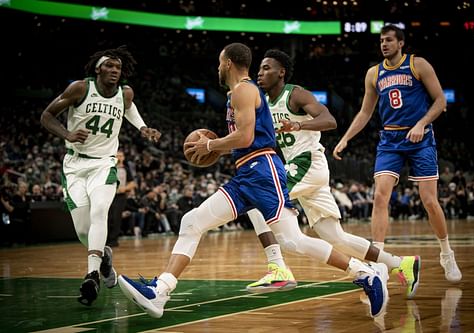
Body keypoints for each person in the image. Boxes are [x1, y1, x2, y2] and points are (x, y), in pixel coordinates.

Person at [118, 43, 389, 319]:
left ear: (227, 64)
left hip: (263, 171)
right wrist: (216, 146)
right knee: (192, 221)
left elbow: (246, 138)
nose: (217, 67)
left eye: (219, 62)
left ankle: (364, 273)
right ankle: (160, 292)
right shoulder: (236, 94)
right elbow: (244, 141)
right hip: (247, 173)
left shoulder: (244, 91)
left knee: (293, 241)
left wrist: (210, 147)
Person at [245, 49, 420, 299]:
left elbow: (330, 120)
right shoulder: (264, 102)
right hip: (305, 170)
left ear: (281, 72)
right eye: (259, 69)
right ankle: (401, 263)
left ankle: (277, 267)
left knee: (254, 198)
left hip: (307, 162)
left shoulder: (295, 94)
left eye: (266, 68)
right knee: (336, 237)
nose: (260, 73)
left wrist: (299, 124)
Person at [332, 25, 462, 282]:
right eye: (381, 41)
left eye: (389, 40)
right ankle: (379, 259)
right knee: (380, 196)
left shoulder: (418, 64)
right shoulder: (373, 73)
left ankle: (446, 253)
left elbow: (440, 101)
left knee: (429, 201)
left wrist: (421, 124)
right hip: (390, 139)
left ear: (401, 43)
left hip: (420, 138)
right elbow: (365, 112)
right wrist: (346, 138)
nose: (384, 44)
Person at [40, 46, 162, 306]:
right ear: (98, 69)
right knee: (84, 230)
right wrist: (67, 134)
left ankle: (92, 274)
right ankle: (104, 261)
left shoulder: (125, 93)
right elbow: (47, 115)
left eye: (118, 68)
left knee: (99, 213)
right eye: (109, 66)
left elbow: (129, 107)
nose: (114, 71)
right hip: (74, 166)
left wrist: (142, 127)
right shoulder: (80, 89)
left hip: (104, 164)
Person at [106, 150, 136, 247]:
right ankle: (105, 240)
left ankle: (113, 240)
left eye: (121, 155)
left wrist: (124, 189)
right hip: (108, 195)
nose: (119, 157)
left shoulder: (126, 169)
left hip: (120, 196)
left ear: (123, 157)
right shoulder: (109, 168)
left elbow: (132, 183)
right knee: (108, 217)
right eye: (117, 155)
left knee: (116, 217)